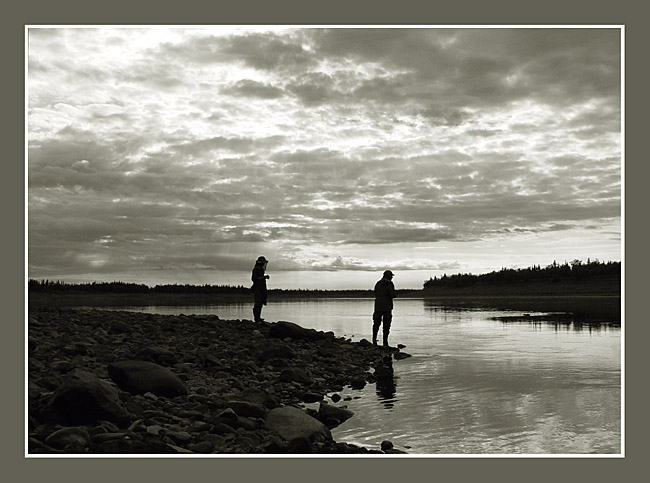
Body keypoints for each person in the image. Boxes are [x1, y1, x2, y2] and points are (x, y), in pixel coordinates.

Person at [372, 270, 396, 347]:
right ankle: (385, 342)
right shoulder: (389, 284)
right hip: (387, 308)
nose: (392, 277)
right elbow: (391, 294)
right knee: (386, 325)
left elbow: (376, 293)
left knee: (376, 324)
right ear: (388, 276)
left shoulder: (378, 283)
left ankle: (374, 340)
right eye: (391, 276)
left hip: (378, 307)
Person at [251, 256, 270, 322]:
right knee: (258, 302)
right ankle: (256, 318)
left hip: (262, 288)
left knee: (261, 302)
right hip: (257, 288)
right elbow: (254, 279)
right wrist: (264, 277)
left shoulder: (261, 270)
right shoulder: (255, 269)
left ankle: (258, 317)